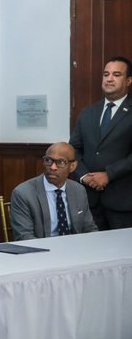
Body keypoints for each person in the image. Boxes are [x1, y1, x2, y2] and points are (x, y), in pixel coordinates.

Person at [69, 55, 132, 230]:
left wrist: (108, 174)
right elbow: (74, 149)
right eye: (106, 74)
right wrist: (84, 176)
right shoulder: (87, 113)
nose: (109, 79)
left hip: (124, 202)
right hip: (89, 201)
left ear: (128, 81)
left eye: (116, 75)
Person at [11, 142, 98, 240]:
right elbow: (24, 237)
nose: (52, 167)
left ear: (72, 166)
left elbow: (89, 228)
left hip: (75, 246)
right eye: (48, 160)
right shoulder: (23, 193)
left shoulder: (78, 190)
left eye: (60, 162)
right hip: (42, 247)